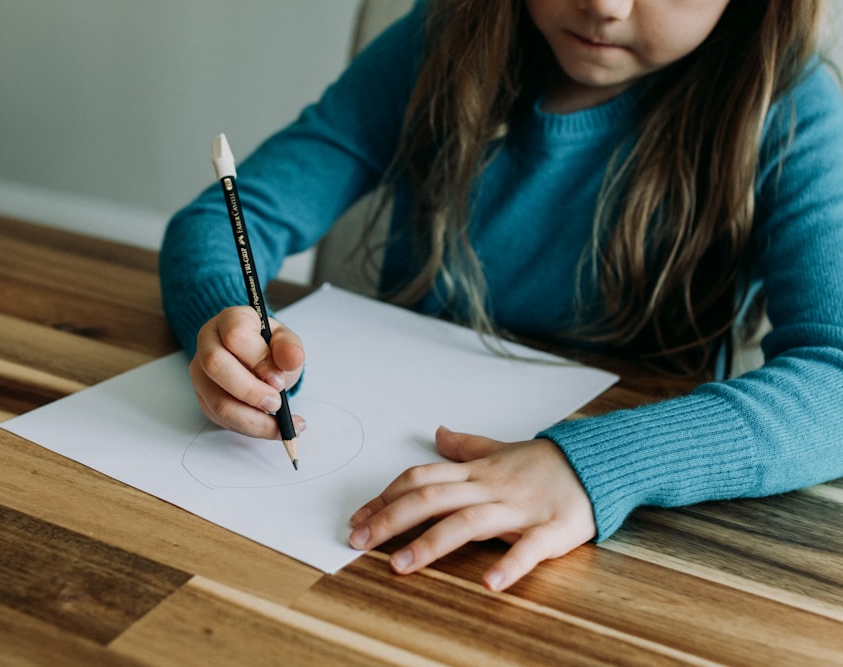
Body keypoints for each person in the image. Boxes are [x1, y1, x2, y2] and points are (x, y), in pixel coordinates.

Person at [159, 0, 843, 592]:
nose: (605, 5)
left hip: (638, 554)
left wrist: (590, 466)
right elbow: (225, 218)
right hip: (380, 510)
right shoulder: (446, 35)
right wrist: (227, 320)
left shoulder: (787, 103)